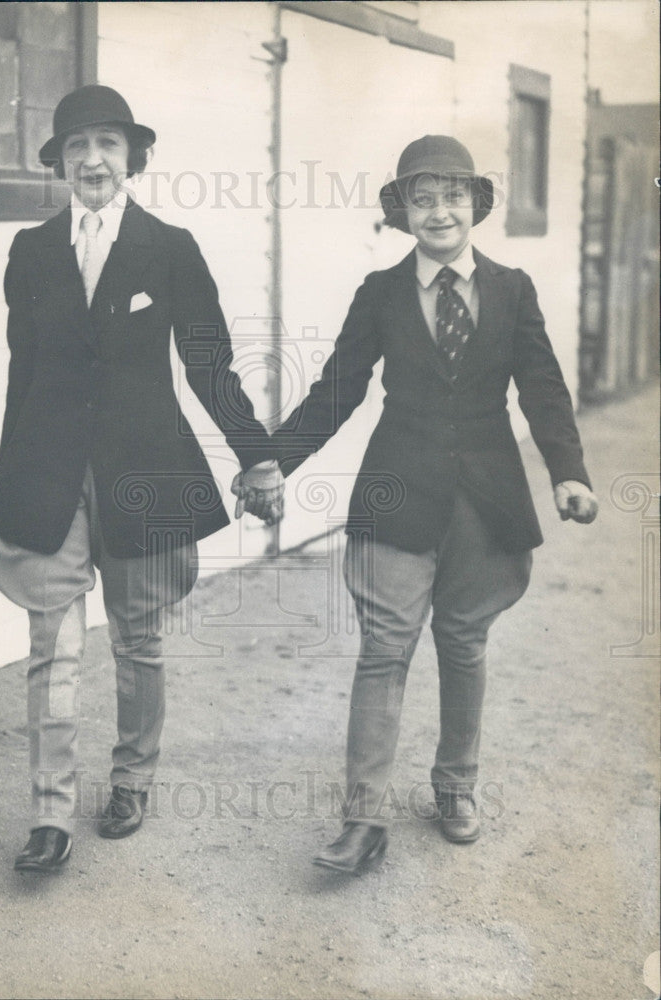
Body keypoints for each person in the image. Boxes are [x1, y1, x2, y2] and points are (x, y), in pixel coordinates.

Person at [233, 135, 598, 874]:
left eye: (453, 195)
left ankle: (454, 787)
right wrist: (273, 456)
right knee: (383, 651)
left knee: (463, 644)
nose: (439, 211)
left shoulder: (512, 289)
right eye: (422, 198)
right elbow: (338, 387)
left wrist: (568, 472)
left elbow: (543, 387)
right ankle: (362, 820)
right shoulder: (379, 293)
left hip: (485, 501)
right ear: (402, 212)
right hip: (397, 494)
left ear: (475, 206)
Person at [0, 84, 280, 873]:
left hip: (144, 471)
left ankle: (131, 780)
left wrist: (255, 455)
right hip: (48, 472)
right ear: (59, 163)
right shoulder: (31, 252)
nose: (92, 160)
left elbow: (210, 364)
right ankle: (49, 811)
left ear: (131, 158)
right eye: (77, 147)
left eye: (108, 145)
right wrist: (8, 476)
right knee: (51, 646)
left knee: (138, 639)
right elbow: (25, 370)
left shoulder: (170, 247)